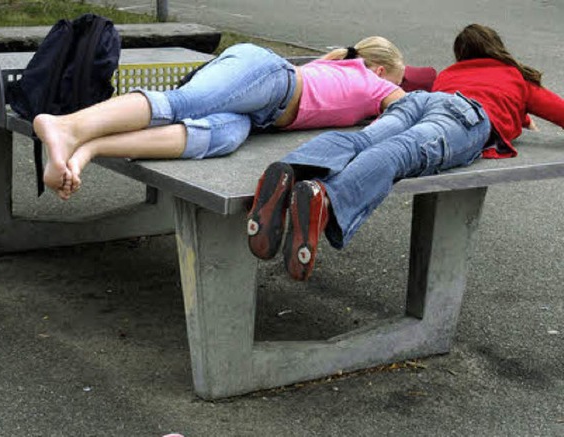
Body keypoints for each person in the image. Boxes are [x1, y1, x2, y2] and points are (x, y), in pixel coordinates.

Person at [247, 23, 564, 281]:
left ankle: (290, 170)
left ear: (461, 55)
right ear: (498, 49)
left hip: (420, 101)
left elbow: (478, 96)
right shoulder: (514, 76)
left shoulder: (451, 74)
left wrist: (520, 116)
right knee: (400, 152)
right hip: (465, 117)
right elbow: (556, 111)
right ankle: (324, 198)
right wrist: (521, 114)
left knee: (364, 141)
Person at [33, 37, 428, 200]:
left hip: (260, 115)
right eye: (396, 79)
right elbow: (407, 109)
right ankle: (66, 126)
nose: (396, 88)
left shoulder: (341, 67)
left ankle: (86, 150)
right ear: (380, 72)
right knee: (186, 101)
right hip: (270, 77)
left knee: (216, 138)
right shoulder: (373, 83)